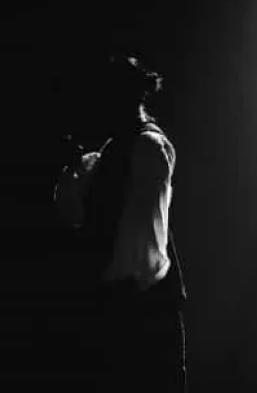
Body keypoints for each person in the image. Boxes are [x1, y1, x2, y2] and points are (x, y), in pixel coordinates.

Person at [53, 54, 187, 391]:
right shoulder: (116, 148)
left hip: (141, 306)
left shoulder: (146, 147)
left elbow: (133, 238)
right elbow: (81, 215)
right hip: (125, 303)